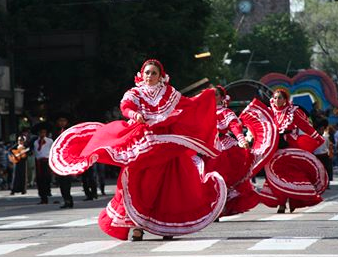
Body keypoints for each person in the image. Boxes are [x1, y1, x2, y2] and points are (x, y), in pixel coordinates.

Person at [49, 59, 226, 241]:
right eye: (147, 72)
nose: (149, 76)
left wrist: (205, 97)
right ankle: (137, 226)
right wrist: (135, 114)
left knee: (169, 185)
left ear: (161, 76)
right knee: (139, 184)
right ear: (142, 74)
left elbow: (188, 106)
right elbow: (126, 107)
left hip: (166, 144)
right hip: (142, 142)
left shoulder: (169, 93)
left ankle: (165, 225)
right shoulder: (135, 92)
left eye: (154, 73)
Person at [205, 85, 278, 217]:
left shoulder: (225, 112)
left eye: (215, 94)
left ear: (221, 98)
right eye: (210, 94)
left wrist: (241, 139)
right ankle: (213, 206)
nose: (212, 97)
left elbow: (234, 126)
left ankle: (220, 206)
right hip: (206, 147)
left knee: (221, 178)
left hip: (223, 148)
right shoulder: (202, 112)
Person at [260, 89, 328, 214]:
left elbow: (305, 126)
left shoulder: (292, 112)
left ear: (285, 100)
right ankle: (281, 203)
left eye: (280, 98)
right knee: (275, 175)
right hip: (274, 148)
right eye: (275, 98)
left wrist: (317, 137)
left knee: (289, 176)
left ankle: (292, 201)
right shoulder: (270, 113)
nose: (277, 100)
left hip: (289, 147)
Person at [52, 113, 74, 209]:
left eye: (63, 121)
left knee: (67, 181)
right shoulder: (54, 133)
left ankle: (69, 200)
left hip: (67, 159)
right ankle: (66, 200)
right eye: (60, 121)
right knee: (61, 182)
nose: (62, 123)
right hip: (58, 159)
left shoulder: (70, 132)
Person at [34, 127, 53, 204]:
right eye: (41, 132)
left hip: (46, 161)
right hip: (38, 162)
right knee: (39, 179)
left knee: (46, 178)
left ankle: (47, 191)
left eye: (44, 132)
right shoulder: (35, 142)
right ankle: (42, 196)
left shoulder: (49, 141)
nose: (42, 134)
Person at [314, 120, 333, 189]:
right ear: (317, 130)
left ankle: (327, 184)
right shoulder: (314, 137)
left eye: (322, 129)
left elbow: (328, 146)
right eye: (320, 129)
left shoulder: (326, 137)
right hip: (316, 156)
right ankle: (318, 184)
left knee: (326, 170)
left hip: (324, 155)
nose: (321, 131)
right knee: (317, 170)